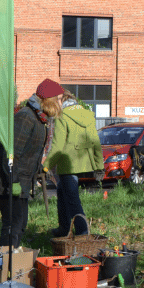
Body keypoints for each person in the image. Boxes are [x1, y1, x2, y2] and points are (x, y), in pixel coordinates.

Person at [0, 78, 63, 248]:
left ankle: (10, 260)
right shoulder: (26, 117)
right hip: (8, 181)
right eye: (59, 99)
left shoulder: (39, 118)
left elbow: (28, 153)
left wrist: (40, 168)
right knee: (13, 225)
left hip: (20, 180)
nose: (61, 103)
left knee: (19, 224)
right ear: (49, 100)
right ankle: (5, 265)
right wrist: (15, 182)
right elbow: (10, 154)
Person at [47, 91, 103, 237]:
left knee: (72, 200)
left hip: (68, 164)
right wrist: (99, 166)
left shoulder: (62, 116)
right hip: (85, 162)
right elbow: (95, 142)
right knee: (62, 191)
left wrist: (46, 165)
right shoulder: (88, 115)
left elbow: (58, 146)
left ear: (62, 101)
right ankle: (64, 228)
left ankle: (82, 232)